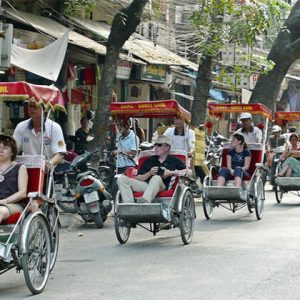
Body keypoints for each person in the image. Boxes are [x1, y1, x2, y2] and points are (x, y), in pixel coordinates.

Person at [117, 135, 192, 203]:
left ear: (167, 147)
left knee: (156, 178)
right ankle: (129, 205)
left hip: (162, 186)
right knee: (122, 179)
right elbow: (137, 178)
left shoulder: (173, 160)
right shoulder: (150, 160)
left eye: (159, 145)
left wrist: (170, 173)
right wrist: (149, 173)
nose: (156, 148)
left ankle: (145, 201)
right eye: (155, 145)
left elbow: (189, 172)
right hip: (146, 186)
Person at [13, 100, 66, 169]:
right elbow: (13, 149)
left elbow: (59, 154)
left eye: (35, 106)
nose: (32, 109)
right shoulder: (21, 126)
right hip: (26, 168)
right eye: (30, 106)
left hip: (46, 170)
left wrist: (50, 163)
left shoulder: (55, 127)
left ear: (44, 109)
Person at [0, 134, 28, 224]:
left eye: (5, 148)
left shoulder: (20, 168)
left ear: (12, 152)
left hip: (12, 204)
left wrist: (4, 201)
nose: (0, 150)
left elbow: (22, 193)